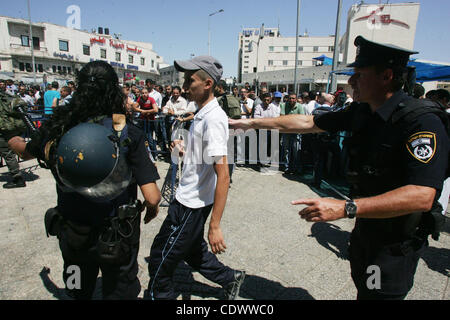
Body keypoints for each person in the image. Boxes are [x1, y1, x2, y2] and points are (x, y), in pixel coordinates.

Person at [230, 36, 449, 300]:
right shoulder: (363, 111)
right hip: (366, 229)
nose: (351, 82)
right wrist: (251, 124)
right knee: (364, 287)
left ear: (387, 76)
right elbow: (308, 122)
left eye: (359, 74)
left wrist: (346, 207)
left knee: (377, 293)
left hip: (393, 243)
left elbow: (422, 195)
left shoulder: (421, 122)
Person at [8, 60, 161, 299]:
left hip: (73, 231)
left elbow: (26, 150)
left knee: (76, 286)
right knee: (120, 289)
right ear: (113, 90)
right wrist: (151, 210)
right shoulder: (127, 131)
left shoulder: (60, 125)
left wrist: (12, 140)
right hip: (117, 234)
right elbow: (152, 196)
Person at [146, 55, 245, 300]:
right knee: (191, 251)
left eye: (191, 80)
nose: (185, 85)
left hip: (193, 204)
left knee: (160, 262)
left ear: (208, 84)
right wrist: (186, 148)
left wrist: (215, 225)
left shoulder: (213, 118)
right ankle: (231, 279)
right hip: (186, 197)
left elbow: (223, 176)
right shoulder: (201, 113)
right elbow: (204, 155)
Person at [0, 90, 27, 188]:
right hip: (11, 127)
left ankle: (17, 178)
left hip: (4, 129)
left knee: (7, 153)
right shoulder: (6, 96)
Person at [280, 93, 306, 174]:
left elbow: (301, 119)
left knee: (296, 151)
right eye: (290, 98)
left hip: (296, 131)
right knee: (286, 150)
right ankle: (287, 167)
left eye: (293, 98)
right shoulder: (284, 105)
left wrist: (289, 121)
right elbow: (282, 118)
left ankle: (296, 168)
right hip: (287, 131)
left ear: (296, 99)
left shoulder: (300, 106)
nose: (291, 100)